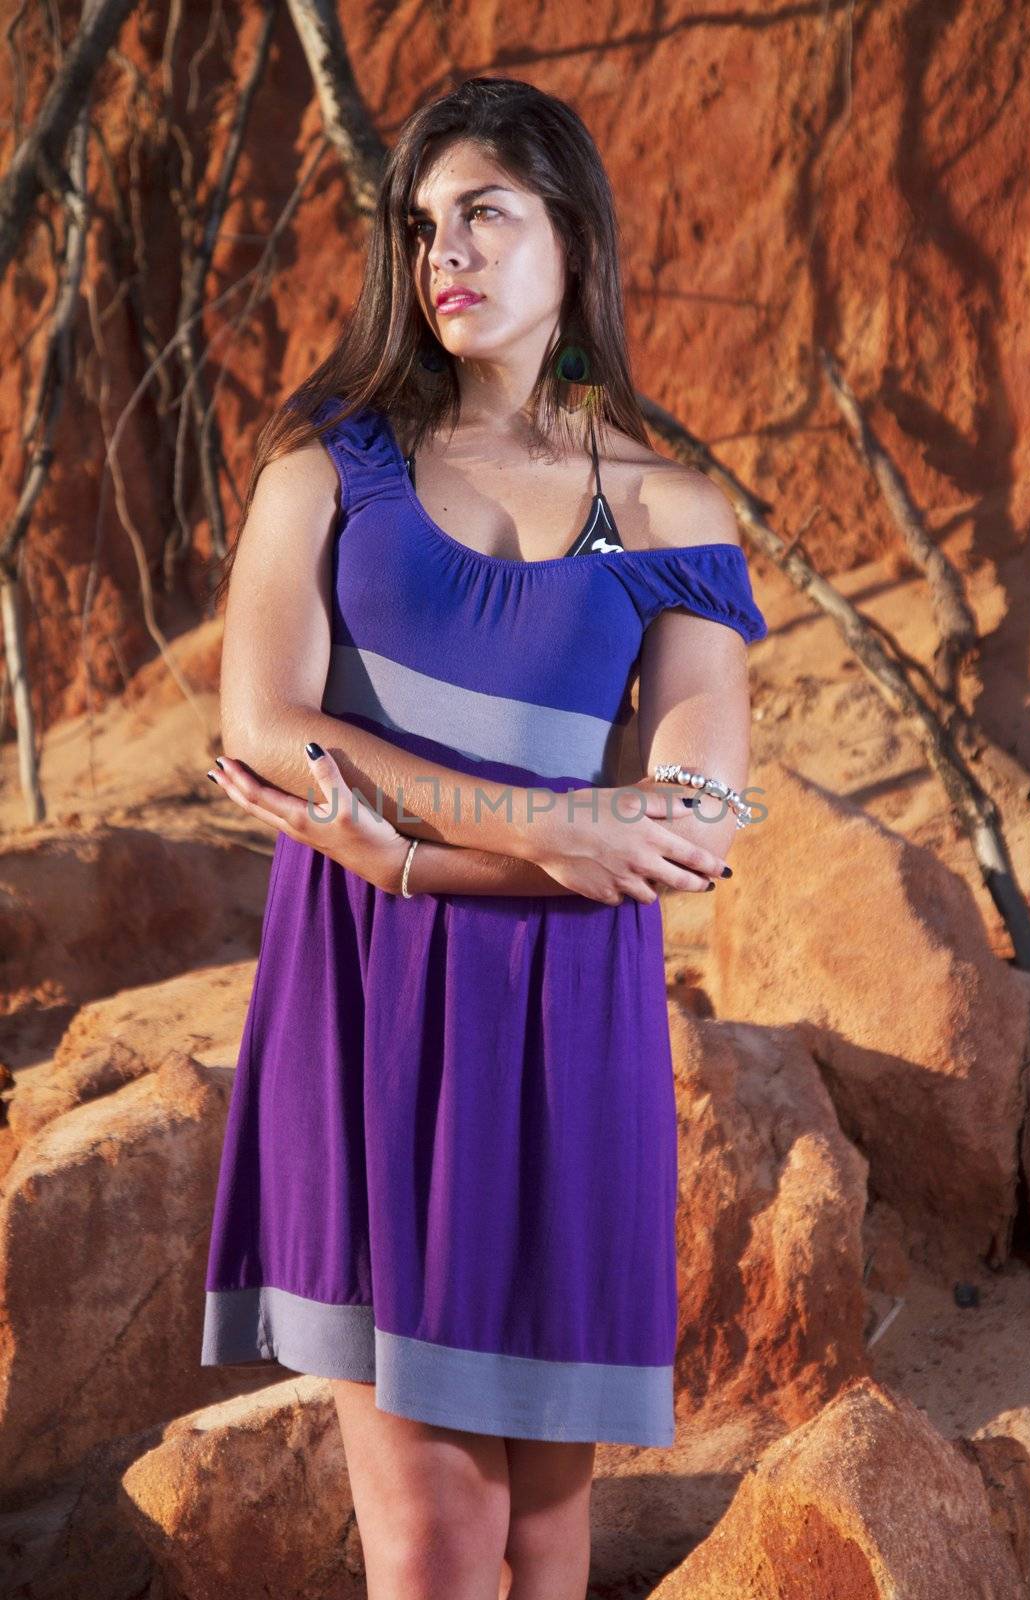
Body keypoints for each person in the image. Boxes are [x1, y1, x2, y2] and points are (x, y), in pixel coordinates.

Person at [200, 75, 767, 1600]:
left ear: (572, 234)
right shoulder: (332, 466)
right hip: (371, 1011)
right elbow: (269, 731)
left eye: (484, 215)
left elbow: (699, 823)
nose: (441, 251)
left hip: (569, 1043)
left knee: (542, 1537)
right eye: (421, 225)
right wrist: (546, 830)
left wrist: (397, 845)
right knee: (440, 1544)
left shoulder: (664, 510)